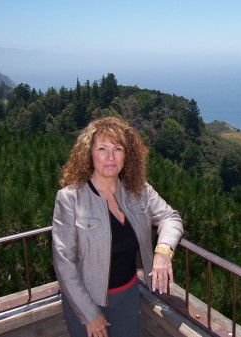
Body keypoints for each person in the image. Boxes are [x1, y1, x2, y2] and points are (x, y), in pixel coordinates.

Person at [52, 116, 184, 337]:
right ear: (89, 154)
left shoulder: (139, 191)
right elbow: (64, 263)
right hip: (85, 301)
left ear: (127, 155)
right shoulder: (70, 198)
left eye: (118, 149)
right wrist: (89, 314)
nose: (110, 157)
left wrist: (163, 252)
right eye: (102, 149)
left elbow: (171, 217)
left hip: (127, 297)